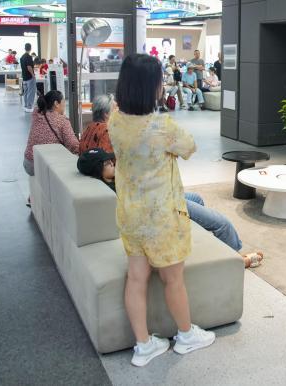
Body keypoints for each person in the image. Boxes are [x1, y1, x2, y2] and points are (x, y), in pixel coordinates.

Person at [108, 53, 216, 367]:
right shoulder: (162, 127)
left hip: (130, 214)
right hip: (162, 218)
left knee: (136, 278)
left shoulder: (114, 121)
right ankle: (185, 335)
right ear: (151, 87)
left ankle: (143, 345)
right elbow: (190, 147)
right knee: (173, 279)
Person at [77, 147, 263, 268]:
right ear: (97, 171)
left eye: (111, 160)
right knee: (222, 224)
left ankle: (211, 247)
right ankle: (236, 262)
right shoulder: (113, 190)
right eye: (107, 163)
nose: (112, 163)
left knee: (197, 198)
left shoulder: (113, 180)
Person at [23, 90, 80, 177]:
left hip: (29, 163)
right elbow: (73, 145)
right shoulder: (62, 121)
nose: (64, 105)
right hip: (42, 166)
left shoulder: (37, 114)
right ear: (56, 103)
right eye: (63, 102)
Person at [20, 43, 36, 113]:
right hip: (29, 77)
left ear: (25, 48)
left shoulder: (22, 57)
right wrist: (33, 75)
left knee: (26, 92)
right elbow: (29, 67)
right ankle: (29, 107)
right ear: (30, 48)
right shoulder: (29, 57)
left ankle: (26, 106)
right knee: (31, 92)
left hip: (24, 77)